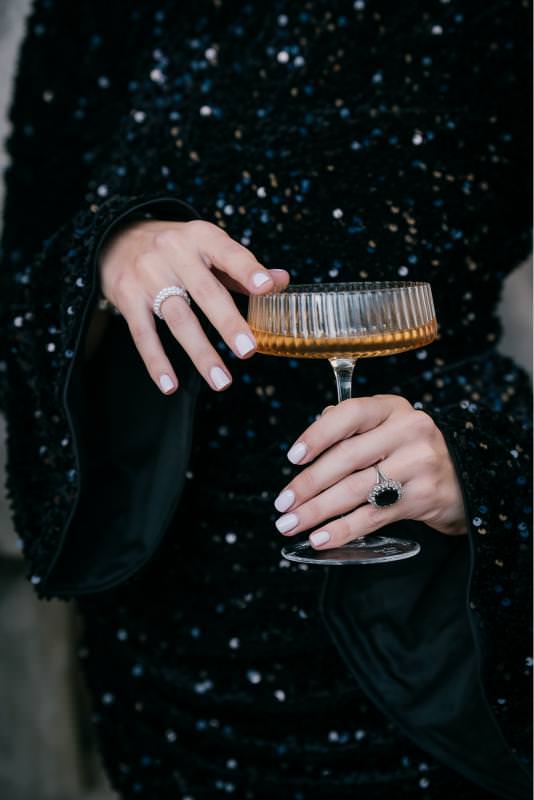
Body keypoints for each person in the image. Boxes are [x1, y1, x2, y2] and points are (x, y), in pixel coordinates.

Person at [0, 1, 531, 798]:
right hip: (176, 653)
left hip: (436, 629)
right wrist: (111, 251)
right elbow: (25, 260)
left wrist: (489, 467)